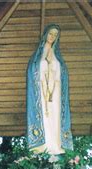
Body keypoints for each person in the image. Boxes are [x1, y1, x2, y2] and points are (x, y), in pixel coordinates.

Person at [26, 23, 73, 155]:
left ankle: (57, 147)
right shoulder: (37, 57)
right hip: (40, 91)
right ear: (45, 34)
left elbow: (62, 74)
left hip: (56, 93)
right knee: (44, 117)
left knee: (56, 116)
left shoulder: (57, 56)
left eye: (55, 35)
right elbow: (32, 72)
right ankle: (43, 147)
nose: (52, 36)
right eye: (50, 33)